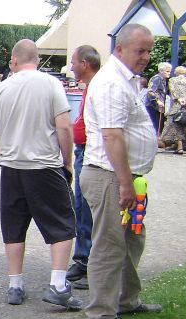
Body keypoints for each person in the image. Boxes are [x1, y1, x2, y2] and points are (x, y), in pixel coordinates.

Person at [0, 39, 82, 310]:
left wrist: (3, 155)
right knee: (62, 224)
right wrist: (67, 162)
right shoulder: (50, 84)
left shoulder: (1, 88)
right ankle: (59, 286)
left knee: (13, 226)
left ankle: (15, 285)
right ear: (36, 60)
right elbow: (63, 127)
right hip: (44, 167)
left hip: (12, 169)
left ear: (14, 60)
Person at [80, 23, 161, 319]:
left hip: (126, 177)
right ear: (120, 49)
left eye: (149, 50)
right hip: (110, 177)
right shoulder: (113, 82)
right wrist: (126, 184)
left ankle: (126, 300)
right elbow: (112, 136)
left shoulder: (125, 80)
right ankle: (101, 314)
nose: (146, 56)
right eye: (140, 50)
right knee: (109, 246)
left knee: (131, 240)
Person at [65, 45, 101, 289]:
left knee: (85, 206)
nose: (71, 67)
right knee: (82, 206)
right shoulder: (91, 87)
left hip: (90, 154)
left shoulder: (97, 86)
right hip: (84, 151)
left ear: (85, 64)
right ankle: (83, 260)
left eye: (74, 63)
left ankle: (87, 262)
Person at [160, 66, 186, 154]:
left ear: (176, 72)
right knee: (184, 125)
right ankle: (179, 146)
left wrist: (179, 99)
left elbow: (173, 91)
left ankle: (179, 146)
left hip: (178, 105)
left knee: (175, 124)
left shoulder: (172, 80)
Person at [145, 62, 171, 136]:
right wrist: (158, 101)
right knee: (155, 125)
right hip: (152, 106)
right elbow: (150, 91)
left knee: (160, 125)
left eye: (170, 71)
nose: (169, 73)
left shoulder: (164, 80)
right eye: (167, 71)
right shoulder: (157, 78)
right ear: (161, 71)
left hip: (159, 107)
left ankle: (157, 140)